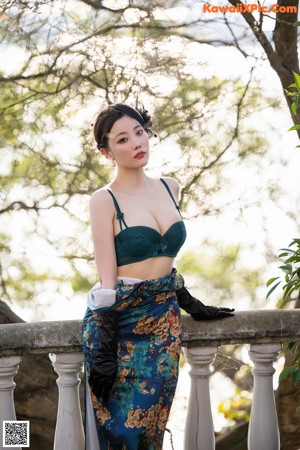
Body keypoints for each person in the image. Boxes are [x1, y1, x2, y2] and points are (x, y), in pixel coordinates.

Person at [82, 103, 234, 450]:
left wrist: (187, 301)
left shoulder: (171, 187)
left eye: (139, 131)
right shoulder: (104, 200)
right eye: (122, 139)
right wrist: (105, 350)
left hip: (163, 323)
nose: (137, 142)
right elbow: (107, 284)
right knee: (123, 432)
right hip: (119, 326)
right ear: (107, 152)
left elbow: (167, 264)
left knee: (150, 428)